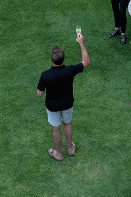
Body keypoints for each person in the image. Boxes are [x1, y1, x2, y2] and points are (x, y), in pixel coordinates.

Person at [36, 32, 90, 161]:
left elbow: (39, 93)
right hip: (67, 104)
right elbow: (86, 62)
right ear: (63, 58)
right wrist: (81, 43)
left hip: (52, 107)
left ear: (51, 59)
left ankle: (58, 154)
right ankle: (70, 149)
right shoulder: (70, 70)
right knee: (67, 124)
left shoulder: (45, 75)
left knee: (56, 128)